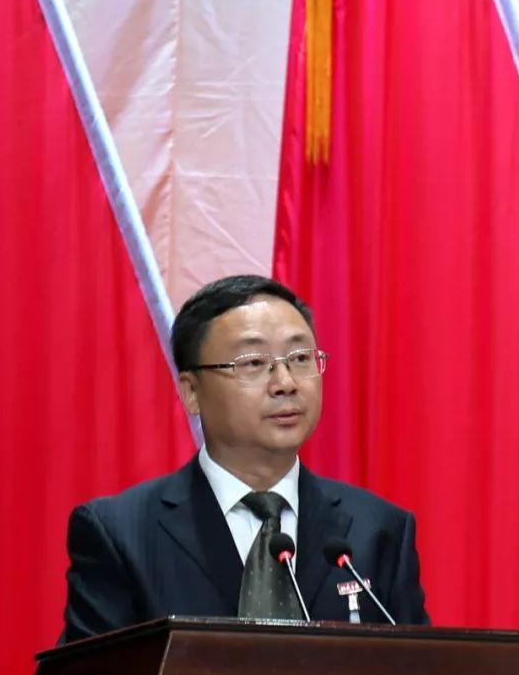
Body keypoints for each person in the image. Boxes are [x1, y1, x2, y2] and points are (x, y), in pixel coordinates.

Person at [62, 274, 429, 639]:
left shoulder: (378, 530)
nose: (285, 383)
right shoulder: (122, 535)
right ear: (191, 392)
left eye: (301, 358)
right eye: (253, 363)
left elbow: (419, 671)